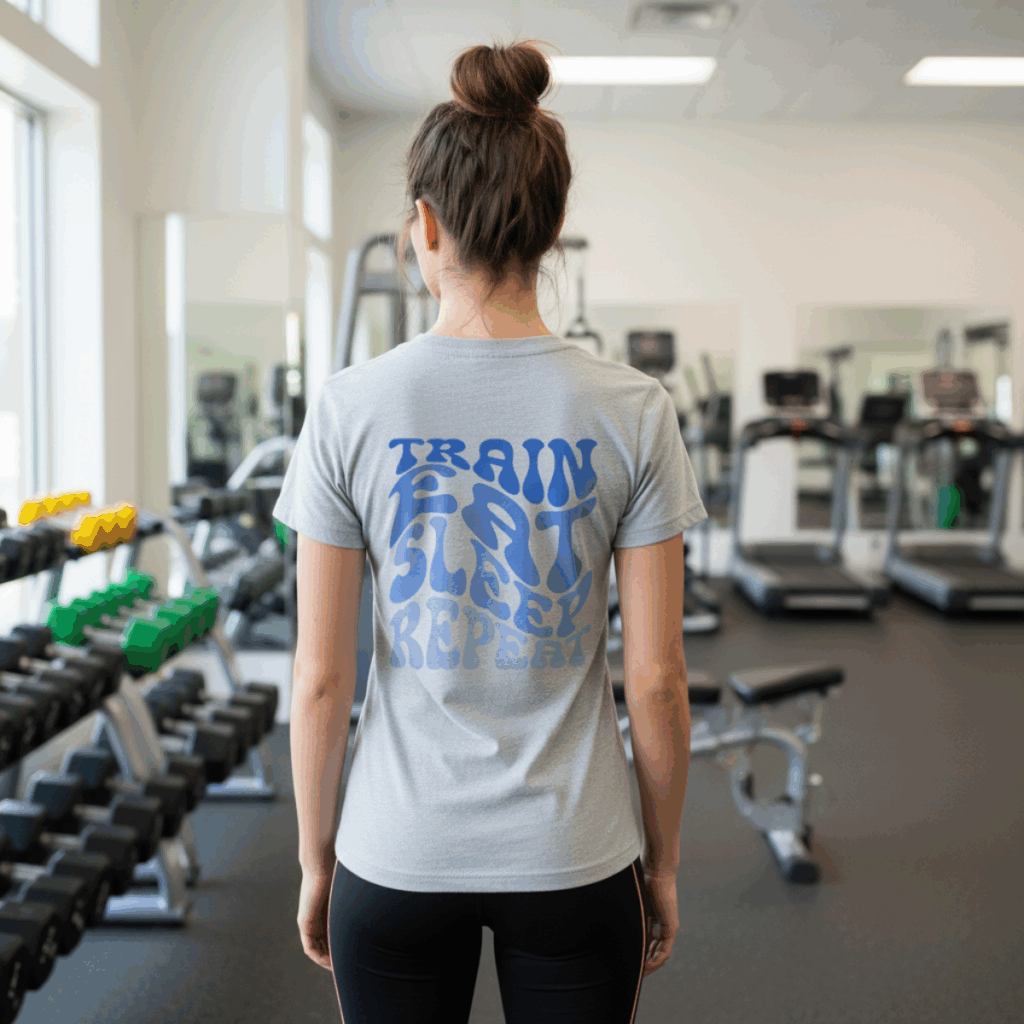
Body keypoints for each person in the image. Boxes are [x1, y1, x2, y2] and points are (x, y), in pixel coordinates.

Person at [273, 37, 705, 1024]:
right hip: (575, 855)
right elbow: (656, 680)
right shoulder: (633, 409)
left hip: (393, 855)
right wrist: (665, 858)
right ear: (551, 229)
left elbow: (319, 678)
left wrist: (313, 857)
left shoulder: (349, 407)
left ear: (424, 225)